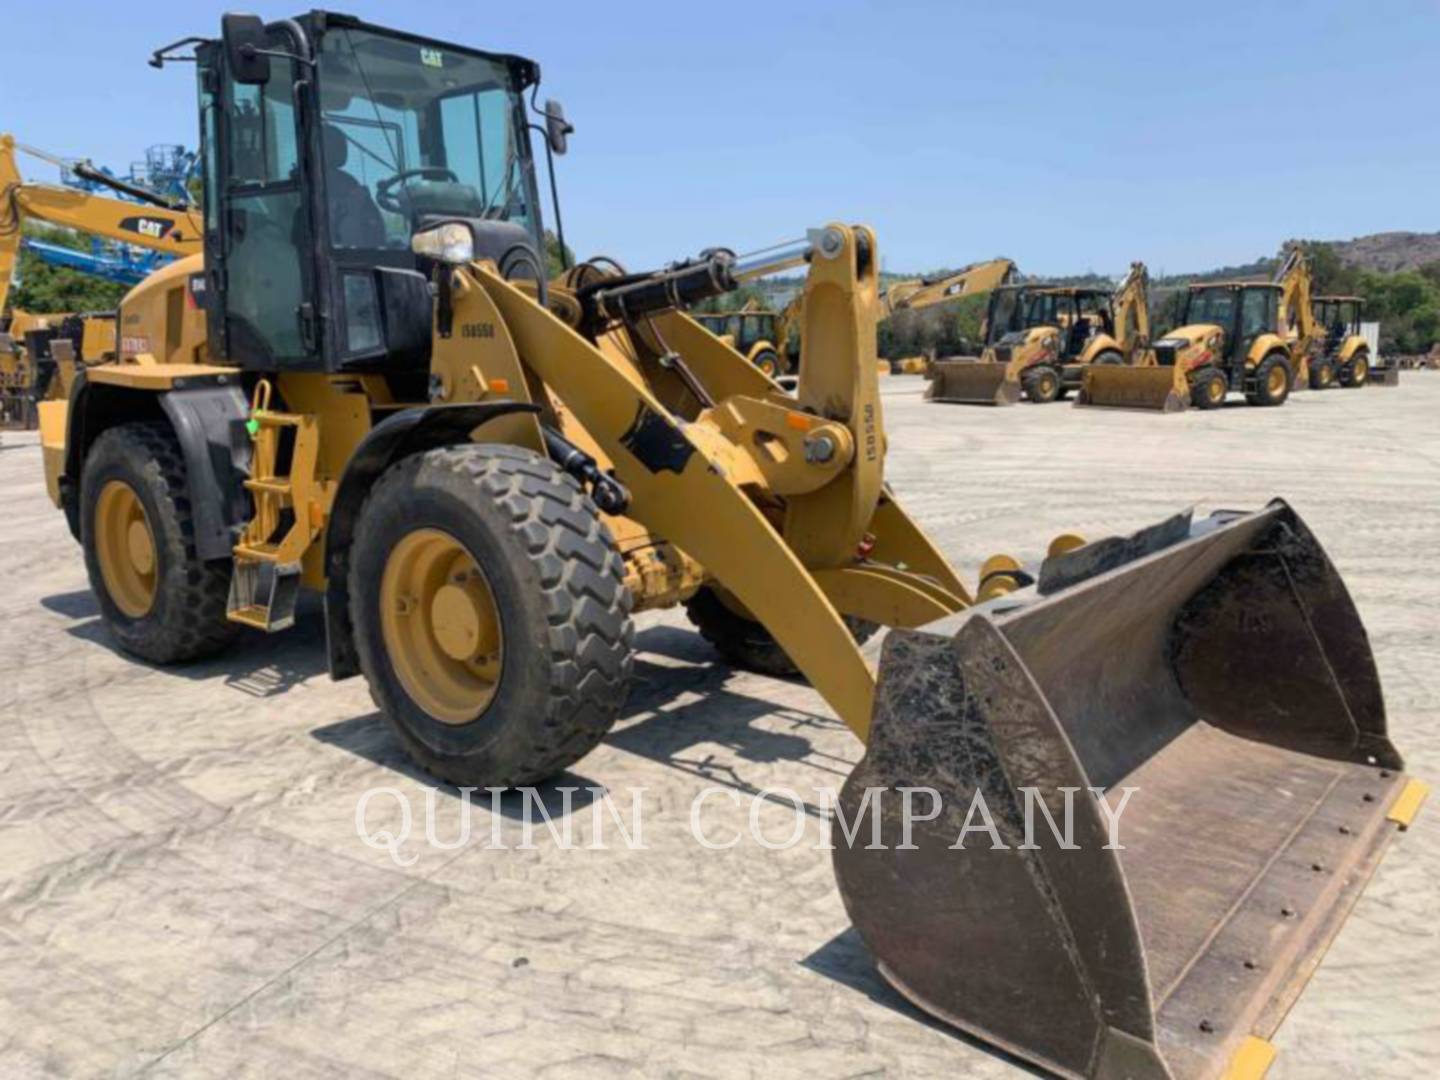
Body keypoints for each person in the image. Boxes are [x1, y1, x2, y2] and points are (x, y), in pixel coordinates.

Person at [323, 125, 386, 248]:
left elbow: (375, 229)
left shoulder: (347, 181)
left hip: (356, 253)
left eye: (339, 145)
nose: (340, 149)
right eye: (333, 145)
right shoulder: (307, 184)